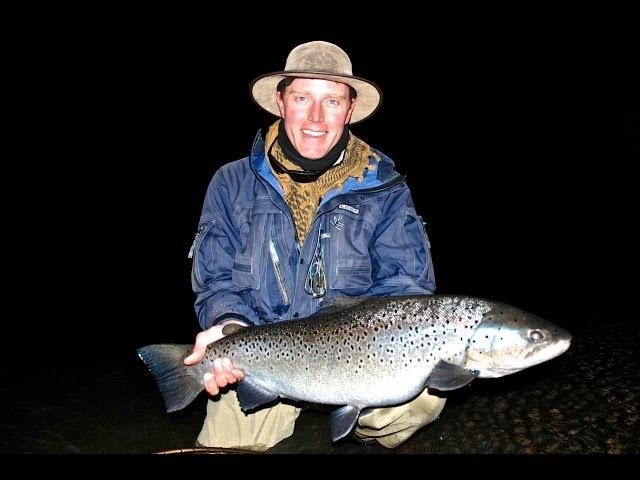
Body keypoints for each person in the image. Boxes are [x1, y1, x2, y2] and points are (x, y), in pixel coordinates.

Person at [183, 40, 444, 451]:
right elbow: (216, 281)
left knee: (425, 396)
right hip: (265, 358)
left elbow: (406, 285)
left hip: (358, 362)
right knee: (226, 448)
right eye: (303, 98)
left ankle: (365, 435)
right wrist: (228, 326)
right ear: (281, 102)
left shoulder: (387, 190)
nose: (316, 118)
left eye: (333, 101)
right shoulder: (230, 183)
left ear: (350, 109)